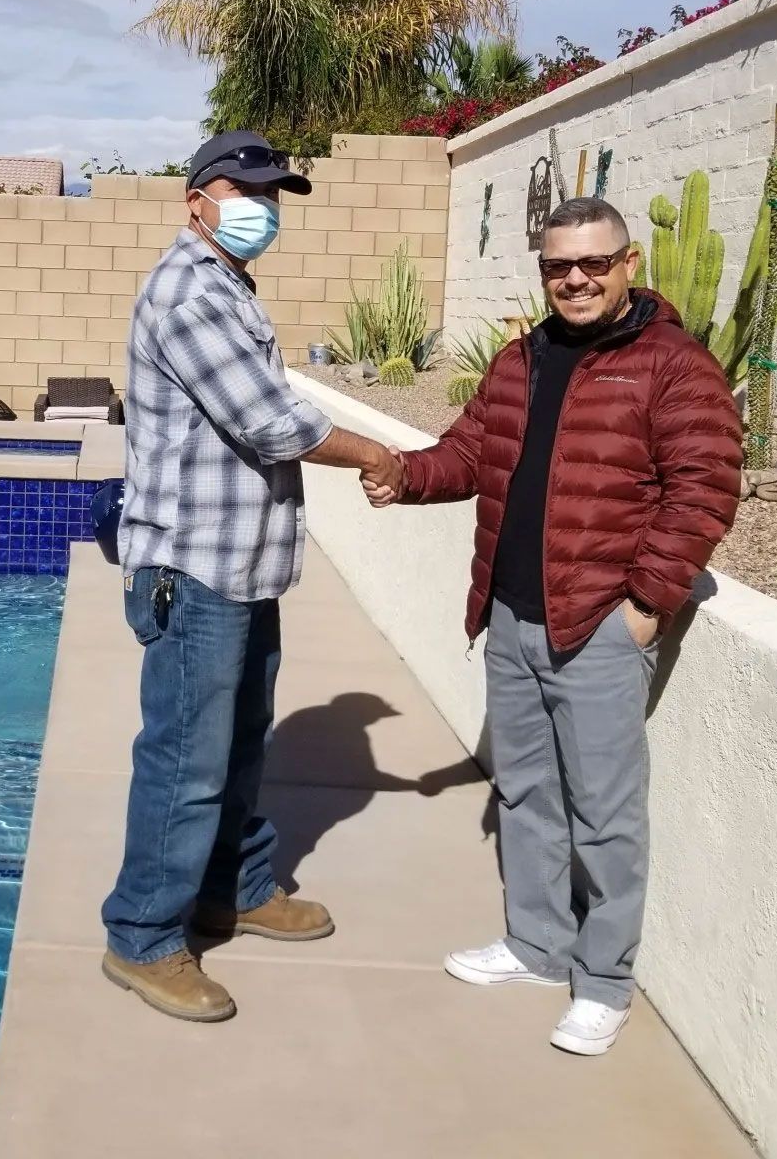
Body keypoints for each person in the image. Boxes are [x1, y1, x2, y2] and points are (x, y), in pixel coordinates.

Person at [365, 196, 741, 1056]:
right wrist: (405, 476)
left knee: (605, 813)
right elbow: (469, 453)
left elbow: (706, 487)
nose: (574, 279)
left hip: (598, 624)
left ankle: (604, 982)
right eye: (557, 266)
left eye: (592, 264)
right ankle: (538, 946)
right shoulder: (520, 360)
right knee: (527, 793)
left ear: (628, 264)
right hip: (511, 611)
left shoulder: (673, 366)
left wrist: (645, 605)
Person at [100, 130, 407, 1023]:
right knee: (187, 757)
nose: (262, 207)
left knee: (237, 744)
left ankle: (231, 887)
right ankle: (144, 938)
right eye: (245, 188)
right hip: (194, 568)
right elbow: (272, 424)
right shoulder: (189, 290)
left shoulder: (228, 284)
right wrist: (378, 454)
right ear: (197, 198)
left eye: (273, 194)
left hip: (241, 565)